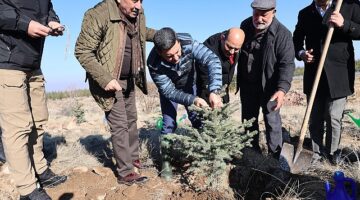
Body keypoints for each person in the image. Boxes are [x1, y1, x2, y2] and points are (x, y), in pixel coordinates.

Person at [75, 0, 155, 185]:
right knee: (119, 124)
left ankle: (133, 159)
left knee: (131, 119)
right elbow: (82, 51)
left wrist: (160, 35)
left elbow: (143, 32)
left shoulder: (136, 14)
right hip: (108, 80)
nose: (139, 6)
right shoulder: (98, 14)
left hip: (129, 79)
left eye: (141, 1)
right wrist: (105, 79)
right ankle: (125, 173)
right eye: (135, 0)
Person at [0, 0, 67, 199]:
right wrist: (25, 24)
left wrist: (52, 22)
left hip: (33, 63)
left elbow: (47, 8)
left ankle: (40, 169)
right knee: (17, 127)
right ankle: (27, 189)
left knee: (39, 120)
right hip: (7, 62)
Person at [147, 27, 223, 180]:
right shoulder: (153, 63)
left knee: (197, 119)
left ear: (178, 41)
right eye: (169, 56)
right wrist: (193, 99)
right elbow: (169, 92)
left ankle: (203, 155)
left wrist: (214, 90)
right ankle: (166, 163)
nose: (176, 58)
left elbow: (212, 60)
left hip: (189, 83)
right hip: (170, 90)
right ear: (159, 52)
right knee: (168, 123)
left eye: (177, 51)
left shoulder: (188, 42)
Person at [293, 0, 360, 164]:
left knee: (333, 116)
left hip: (339, 74)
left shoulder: (350, 6)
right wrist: (301, 53)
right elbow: (297, 38)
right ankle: (315, 154)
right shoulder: (305, 13)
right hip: (314, 73)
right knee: (314, 118)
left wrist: (344, 24)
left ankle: (332, 155)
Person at [237, 0, 295, 158]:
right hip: (248, 84)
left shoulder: (283, 34)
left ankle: (275, 156)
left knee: (272, 121)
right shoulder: (245, 26)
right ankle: (251, 152)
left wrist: (282, 89)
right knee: (248, 120)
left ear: (274, 13)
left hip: (270, 86)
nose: (259, 18)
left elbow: (287, 64)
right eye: (256, 14)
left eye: (264, 15)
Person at [196, 28, 245, 104]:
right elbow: (205, 78)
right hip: (207, 90)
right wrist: (213, 94)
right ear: (222, 38)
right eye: (229, 47)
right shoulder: (207, 50)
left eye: (236, 49)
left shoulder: (235, 44)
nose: (232, 52)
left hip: (224, 88)